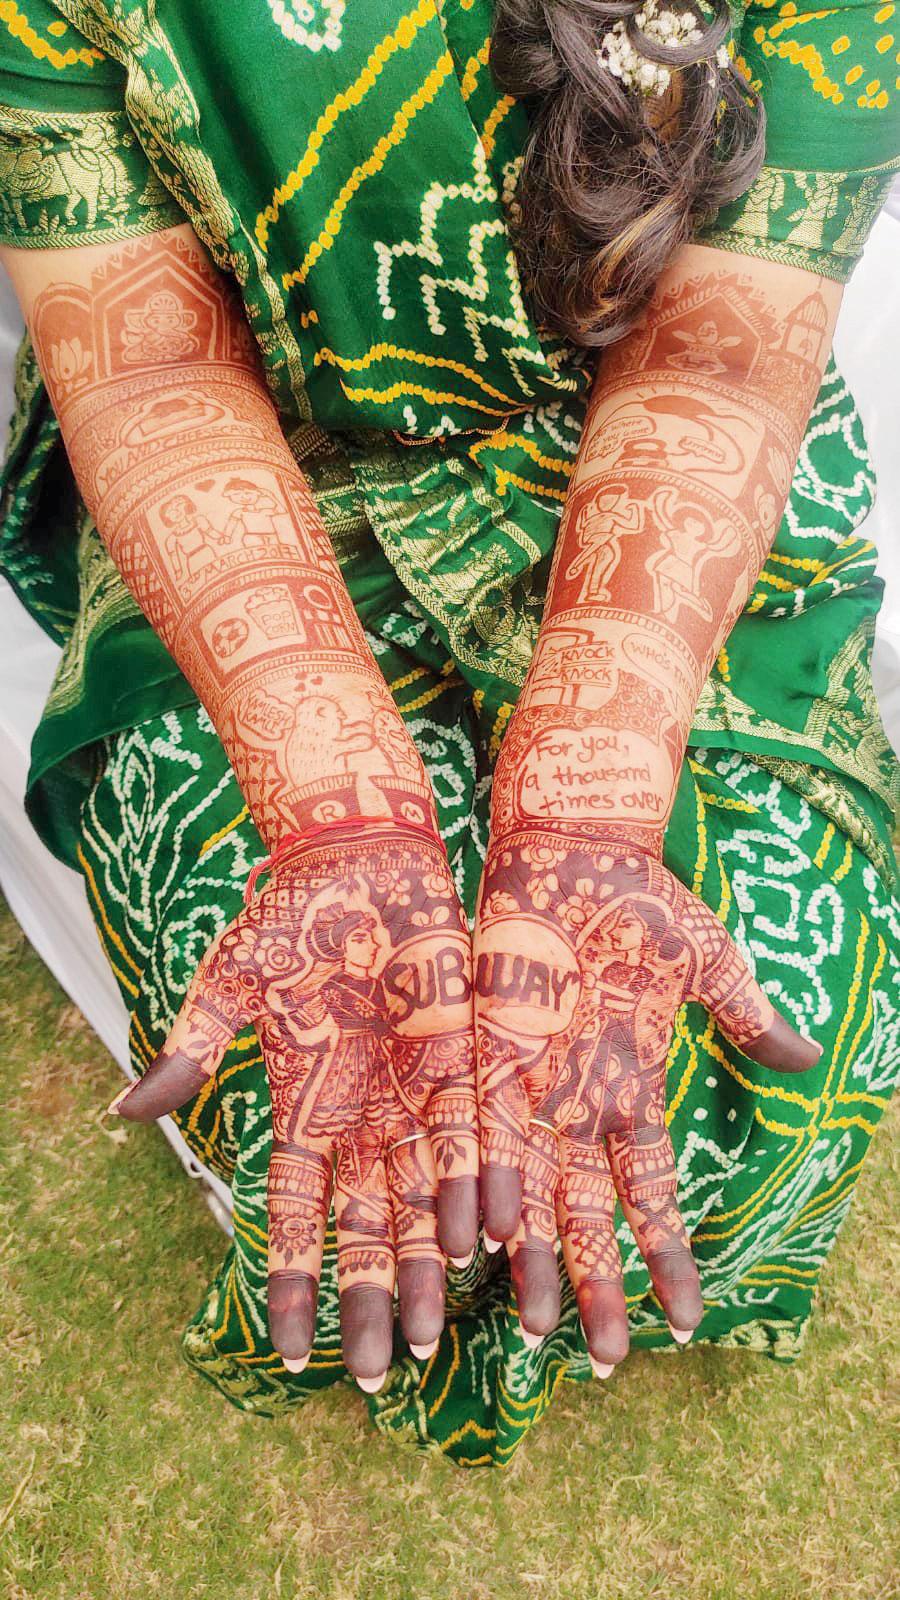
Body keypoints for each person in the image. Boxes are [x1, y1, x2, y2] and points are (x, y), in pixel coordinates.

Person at [0, 0, 897, 1467]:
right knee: (304, 1059)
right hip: (250, 438)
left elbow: (717, 360)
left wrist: (585, 804)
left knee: (733, 1068)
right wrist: (339, 810)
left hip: (657, 409)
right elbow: (147, 362)